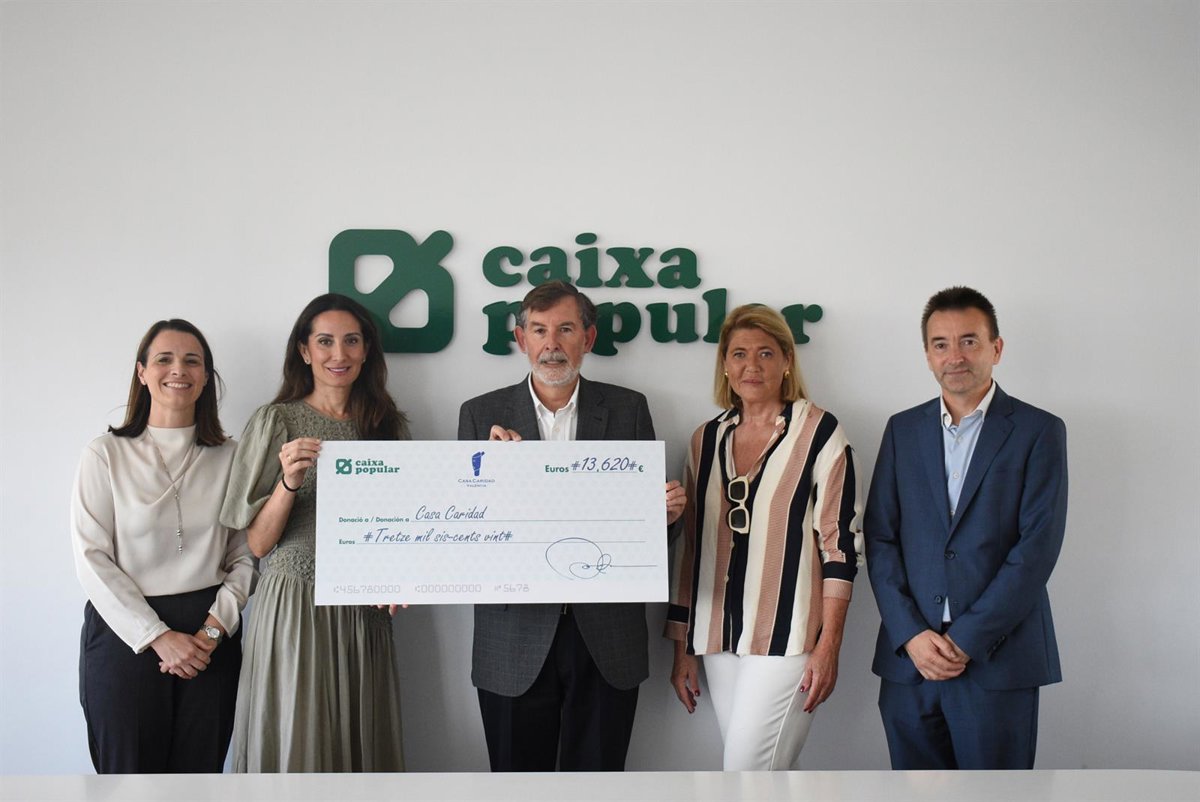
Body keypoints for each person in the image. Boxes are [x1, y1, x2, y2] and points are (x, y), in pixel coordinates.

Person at [458, 280, 686, 772]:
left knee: (599, 786)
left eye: (565, 329)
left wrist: (666, 518)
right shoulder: (480, 415)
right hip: (513, 637)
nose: (552, 343)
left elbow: (645, 534)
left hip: (606, 635)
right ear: (521, 339)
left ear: (589, 337)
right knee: (517, 789)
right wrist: (490, 479)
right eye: (539, 330)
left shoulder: (628, 409)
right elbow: (465, 533)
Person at [865, 286, 1068, 770]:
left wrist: (967, 640)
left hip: (998, 658)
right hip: (910, 662)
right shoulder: (902, 430)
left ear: (996, 348)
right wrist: (911, 634)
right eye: (941, 344)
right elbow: (880, 538)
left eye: (969, 341)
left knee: (995, 797)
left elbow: (1036, 549)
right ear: (927, 355)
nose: (954, 356)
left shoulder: (1039, 430)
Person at [665, 304, 864, 771]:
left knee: (746, 774)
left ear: (787, 361)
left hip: (789, 637)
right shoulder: (705, 440)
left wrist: (829, 646)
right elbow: (690, 550)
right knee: (766, 779)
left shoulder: (820, 432)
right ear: (725, 364)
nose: (751, 366)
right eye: (739, 354)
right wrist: (683, 647)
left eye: (765, 353)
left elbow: (840, 547)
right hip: (718, 636)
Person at [220, 293, 409, 772]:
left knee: (356, 745)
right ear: (304, 351)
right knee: (297, 741)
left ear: (366, 350)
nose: (338, 354)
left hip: (364, 611)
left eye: (351, 341)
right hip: (296, 605)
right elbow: (258, 544)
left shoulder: (386, 427)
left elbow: (404, 526)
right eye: (325, 341)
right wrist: (289, 482)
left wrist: (400, 578)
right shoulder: (277, 421)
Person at [72, 319, 255, 773]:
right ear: (142, 372)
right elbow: (92, 558)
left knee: (198, 779)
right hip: (126, 635)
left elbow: (245, 555)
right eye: (164, 359)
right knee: (128, 781)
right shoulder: (105, 454)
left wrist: (212, 631)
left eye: (192, 361)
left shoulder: (233, 457)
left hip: (210, 635)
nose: (179, 370)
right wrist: (156, 636)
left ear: (206, 377)